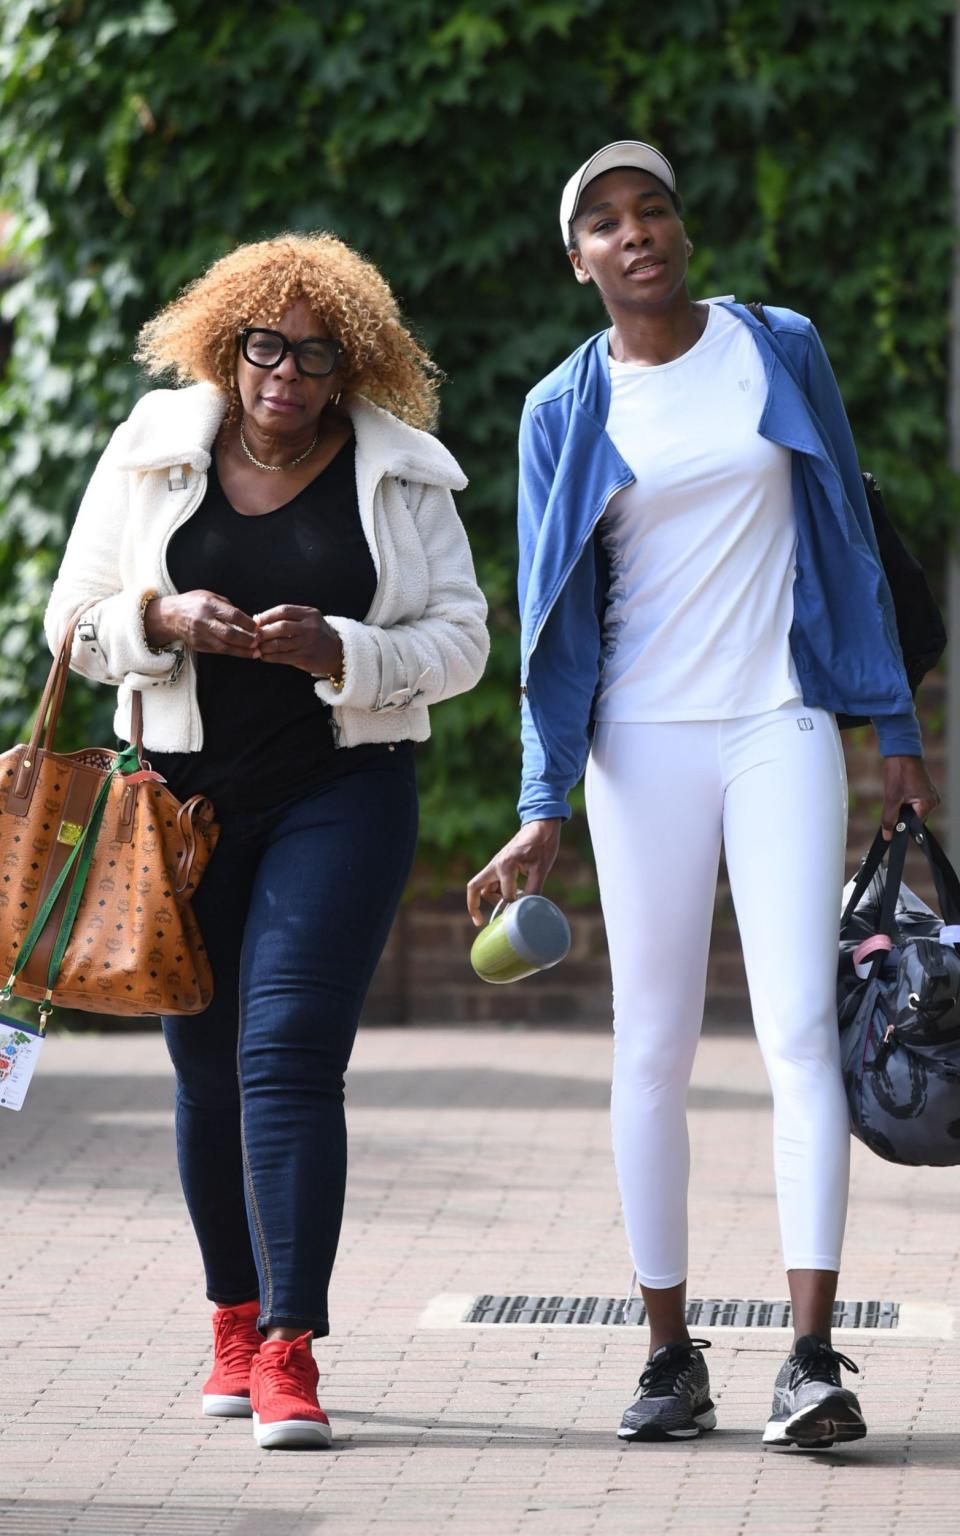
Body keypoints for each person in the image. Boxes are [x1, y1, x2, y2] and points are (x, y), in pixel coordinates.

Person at [467, 142, 939, 1449]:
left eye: (655, 209)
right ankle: (670, 1357)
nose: (638, 234)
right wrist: (541, 795)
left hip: (776, 721)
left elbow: (845, 528)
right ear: (580, 260)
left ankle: (813, 1358)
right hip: (638, 747)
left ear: (682, 229)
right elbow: (551, 617)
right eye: (607, 223)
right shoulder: (563, 409)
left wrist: (889, 718)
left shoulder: (776, 346)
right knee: (652, 1045)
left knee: (796, 1030)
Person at [46, 233, 489, 1450]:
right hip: (177, 810)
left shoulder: (403, 476)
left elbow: (462, 641)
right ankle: (231, 1320)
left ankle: (292, 1347)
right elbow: (69, 620)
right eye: (265, 347)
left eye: (315, 356)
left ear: (353, 368)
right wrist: (155, 616)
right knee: (202, 1074)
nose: (284, 376)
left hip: (341, 791)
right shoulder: (149, 454)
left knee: (288, 1055)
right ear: (226, 344)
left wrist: (344, 649)